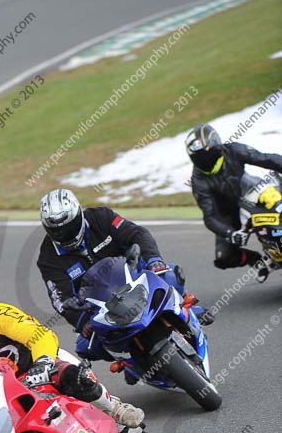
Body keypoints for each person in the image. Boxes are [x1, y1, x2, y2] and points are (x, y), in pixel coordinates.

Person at [0, 283, 145, 433]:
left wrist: (44, 361)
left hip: (37, 369)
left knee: (75, 377)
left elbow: (39, 334)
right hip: (0, 403)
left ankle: (112, 407)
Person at [37, 189, 212, 367]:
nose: (63, 234)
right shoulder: (48, 258)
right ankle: (131, 363)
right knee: (86, 346)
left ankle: (186, 310)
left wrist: (153, 259)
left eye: (68, 226)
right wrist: (79, 318)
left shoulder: (101, 217)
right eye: (56, 231)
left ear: (79, 214)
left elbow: (137, 234)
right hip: (100, 306)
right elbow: (59, 297)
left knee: (172, 274)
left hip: (135, 277)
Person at [186, 123, 282, 281]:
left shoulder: (233, 150)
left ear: (215, 146)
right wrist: (230, 234)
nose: (204, 161)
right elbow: (209, 217)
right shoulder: (198, 181)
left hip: (252, 192)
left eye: (205, 155)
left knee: (275, 203)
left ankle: (276, 250)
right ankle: (257, 260)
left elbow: (266, 159)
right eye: (199, 158)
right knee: (223, 257)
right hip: (228, 214)